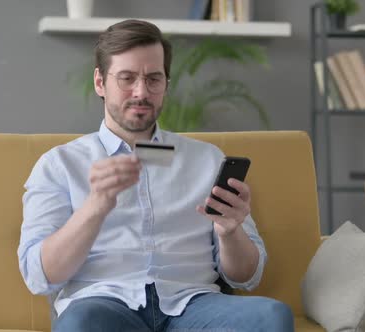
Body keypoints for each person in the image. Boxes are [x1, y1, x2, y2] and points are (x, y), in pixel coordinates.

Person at [17, 19, 294, 332]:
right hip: (104, 307)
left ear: (166, 84)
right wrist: (95, 208)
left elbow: (245, 277)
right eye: (127, 78)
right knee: (80, 324)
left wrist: (230, 232)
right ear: (99, 82)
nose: (141, 92)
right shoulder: (60, 165)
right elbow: (39, 276)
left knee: (271, 317)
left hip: (193, 304)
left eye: (153, 79)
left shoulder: (206, 160)